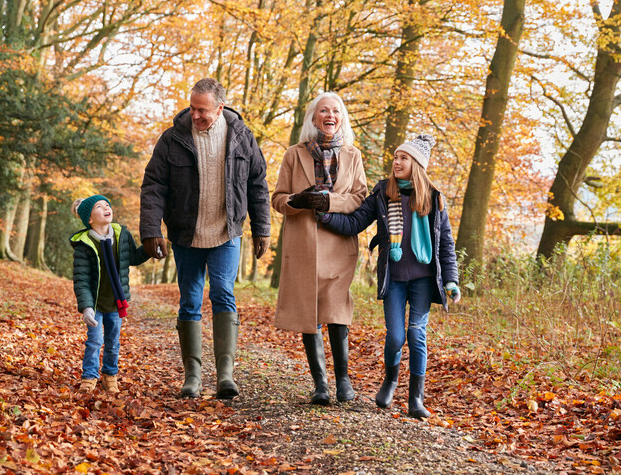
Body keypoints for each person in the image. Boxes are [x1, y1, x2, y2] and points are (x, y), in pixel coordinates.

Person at [140, 77, 271, 399]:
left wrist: (262, 228)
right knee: (189, 300)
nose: (195, 115)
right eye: (192, 108)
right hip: (187, 233)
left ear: (220, 107)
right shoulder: (172, 139)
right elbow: (154, 185)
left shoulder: (242, 137)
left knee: (224, 293)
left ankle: (225, 376)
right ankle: (193, 377)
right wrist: (151, 230)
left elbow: (257, 184)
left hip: (226, 230)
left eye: (202, 110)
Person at [319, 134, 460, 417]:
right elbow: (355, 222)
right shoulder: (384, 192)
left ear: (417, 164)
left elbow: (445, 242)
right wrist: (324, 213)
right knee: (396, 336)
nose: (397, 162)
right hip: (393, 278)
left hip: (423, 279)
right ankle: (391, 380)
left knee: (416, 334)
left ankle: (415, 399)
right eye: (396, 157)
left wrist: (451, 280)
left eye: (403, 158)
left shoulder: (433, 198)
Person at [271, 91, 368, 404]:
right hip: (303, 245)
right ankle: (321, 386)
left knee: (337, 310)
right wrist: (296, 201)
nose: (330, 116)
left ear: (342, 118)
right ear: (313, 118)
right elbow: (278, 199)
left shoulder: (353, 155)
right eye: (323, 111)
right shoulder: (293, 154)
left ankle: (343, 381)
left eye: (336, 111)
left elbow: (359, 199)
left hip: (339, 243)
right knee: (308, 310)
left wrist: (329, 201)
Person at [70, 195, 152, 393]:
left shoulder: (121, 234)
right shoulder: (84, 244)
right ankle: (89, 377)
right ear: (89, 219)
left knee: (113, 341)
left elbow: (133, 257)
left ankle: (110, 375)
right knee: (95, 340)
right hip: (96, 302)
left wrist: (150, 248)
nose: (106, 208)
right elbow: (81, 279)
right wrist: (87, 307)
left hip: (116, 301)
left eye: (107, 205)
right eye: (100, 206)